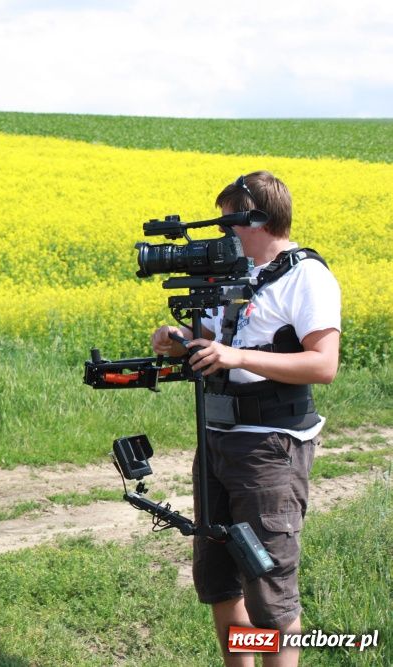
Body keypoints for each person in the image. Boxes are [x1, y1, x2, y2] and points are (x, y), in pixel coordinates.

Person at [151, 171, 341, 667]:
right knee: (220, 583)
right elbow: (216, 349)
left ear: (253, 219)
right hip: (216, 438)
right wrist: (179, 340)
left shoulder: (306, 276)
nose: (219, 234)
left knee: (270, 594)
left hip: (270, 446)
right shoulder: (229, 277)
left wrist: (237, 359)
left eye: (225, 222)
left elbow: (323, 364)